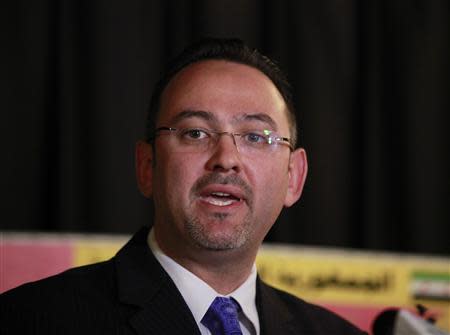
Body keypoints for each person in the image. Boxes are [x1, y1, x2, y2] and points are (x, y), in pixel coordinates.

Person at [1, 38, 366, 334]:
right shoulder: (32, 321)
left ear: (294, 177)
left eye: (256, 136)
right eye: (195, 132)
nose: (226, 158)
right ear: (147, 166)